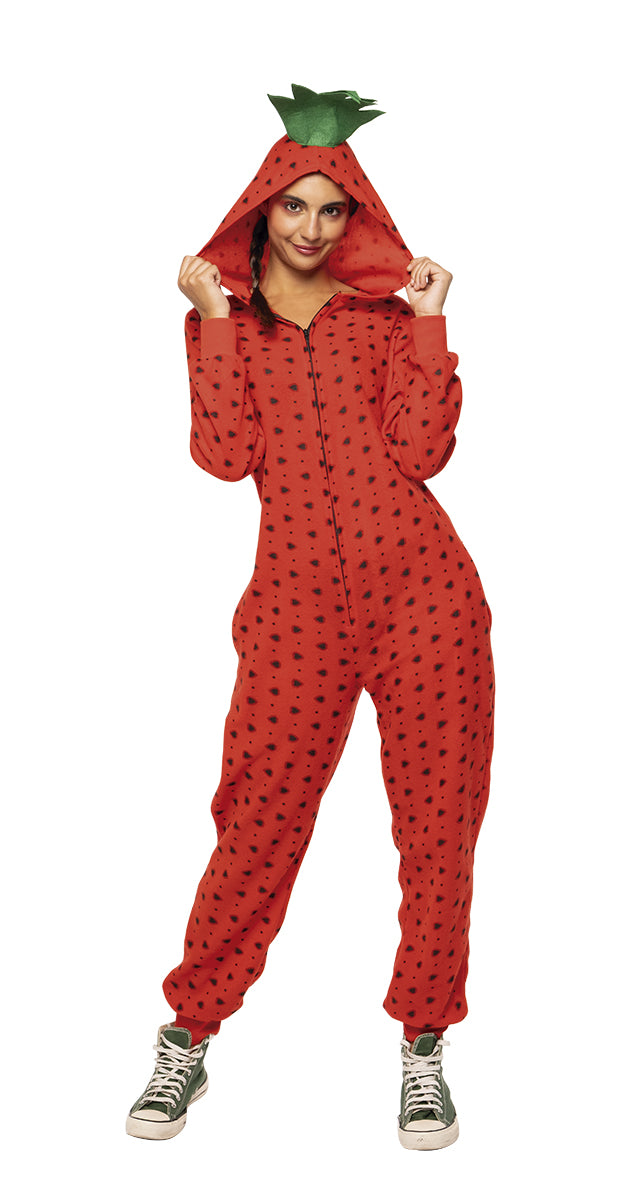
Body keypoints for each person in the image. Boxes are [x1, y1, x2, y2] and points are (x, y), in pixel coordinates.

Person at [126, 86, 495, 1152]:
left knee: (437, 827)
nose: (312, 228)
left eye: (334, 210)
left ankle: (423, 1045)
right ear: (262, 208)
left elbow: (423, 452)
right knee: (257, 821)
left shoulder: (382, 319)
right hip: (293, 610)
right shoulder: (228, 326)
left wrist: (429, 324)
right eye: (296, 206)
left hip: (426, 596)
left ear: (354, 219)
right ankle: (190, 1032)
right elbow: (223, 456)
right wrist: (210, 321)